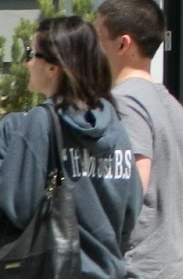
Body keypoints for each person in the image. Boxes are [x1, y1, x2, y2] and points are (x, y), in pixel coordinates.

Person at [0, 15, 142, 279]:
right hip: (109, 270)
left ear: (54, 68)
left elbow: (17, 208)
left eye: (32, 53)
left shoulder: (41, 122)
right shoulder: (114, 123)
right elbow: (131, 210)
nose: (26, 62)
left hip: (55, 269)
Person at [96, 0, 183, 279]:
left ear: (123, 43)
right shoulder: (173, 106)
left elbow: (132, 188)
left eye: (97, 38)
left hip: (137, 269)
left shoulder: (124, 103)